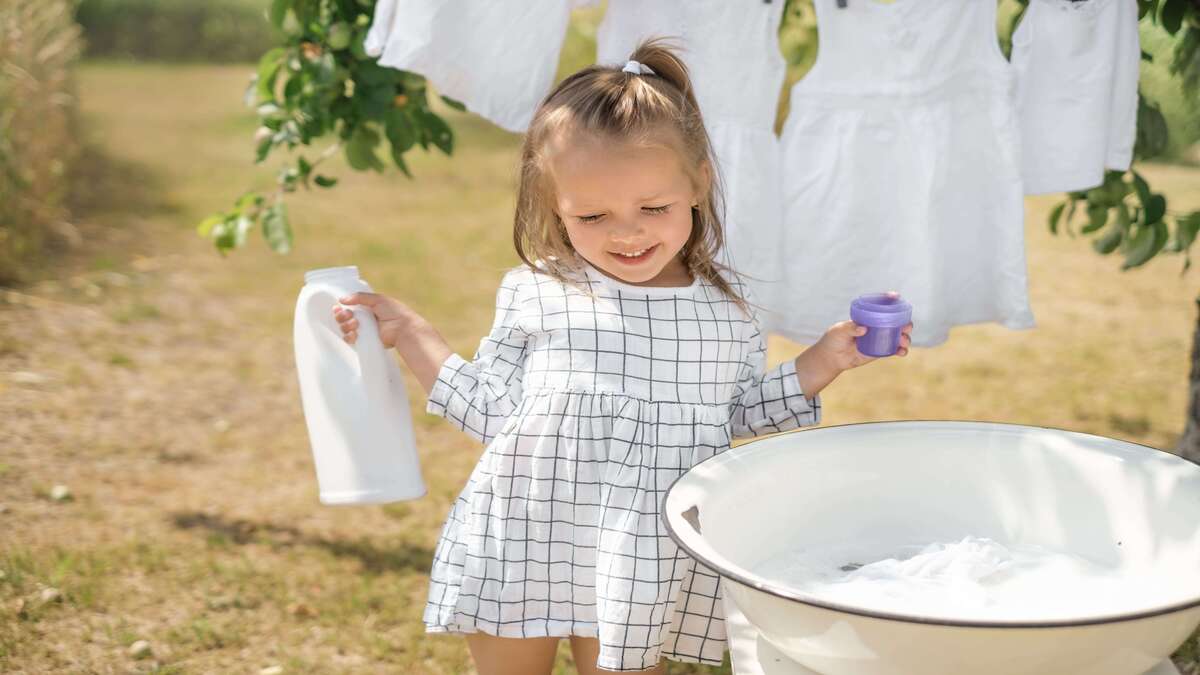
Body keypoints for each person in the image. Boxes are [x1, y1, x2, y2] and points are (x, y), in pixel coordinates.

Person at [333, 37, 913, 675]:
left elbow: (737, 412)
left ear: (699, 183)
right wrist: (413, 333)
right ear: (555, 204)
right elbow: (493, 414)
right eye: (593, 215)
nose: (627, 233)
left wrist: (823, 360)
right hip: (525, 536)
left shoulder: (725, 310)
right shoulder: (539, 292)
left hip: (642, 554)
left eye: (653, 208)